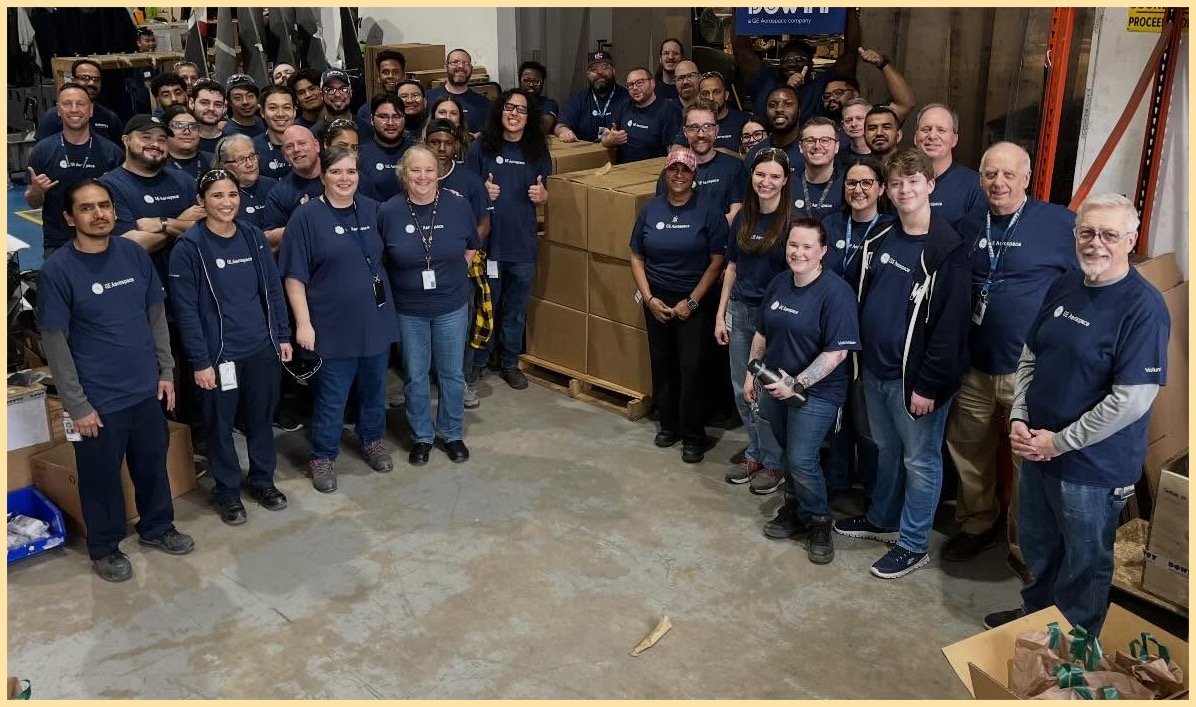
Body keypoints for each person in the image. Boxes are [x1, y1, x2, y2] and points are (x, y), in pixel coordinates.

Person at [983, 193, 1168, 635]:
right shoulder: (1065, 284)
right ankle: (1038, 620)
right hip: (1038, 449)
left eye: (1108, 234)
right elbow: (1030, 355)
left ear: (1130, 239)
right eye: (1087, 232)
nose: (1095, 243)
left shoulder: (1144, 307)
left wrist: (1059, 441)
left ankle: (1074, 646)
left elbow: (1131, 400)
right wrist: (1019, 418)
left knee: (1084, 564)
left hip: (1092, 467)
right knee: (1039, 547)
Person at [37, 179, 195, 582]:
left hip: (144, 388)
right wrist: (78, 405)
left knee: (151, 465)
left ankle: (157, 527)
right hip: (97, 400)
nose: (98, 214)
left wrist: (165, 372)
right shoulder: (58, 271)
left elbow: (155, 316)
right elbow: (55, 344)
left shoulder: (132, 253)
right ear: (70, 218)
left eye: (104, 205)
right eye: (87, 208)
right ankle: (105, 546)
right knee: (100, 478)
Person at [833, 148, 970, 579]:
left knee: (920, 461)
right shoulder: (883, 237)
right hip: (876, 370)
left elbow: (951, 330)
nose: (905, 189)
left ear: (930, 185)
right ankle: (882, 519)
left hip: (915, 382)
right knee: (887, 450)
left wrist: (928, 385)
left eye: (914, 182)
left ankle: (913, 544)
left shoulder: (947, 252)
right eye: (897, 183)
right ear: (887, 191)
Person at [943, 142, 1077, 576]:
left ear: (1026, 177)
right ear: (980, 178)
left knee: (1027, 465)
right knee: (969, 450)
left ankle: (1024, 547)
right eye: (989, 174)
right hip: (974, 366)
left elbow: (1086, 286)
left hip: (1028, 372)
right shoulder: (968, 224)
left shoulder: (1059, 225)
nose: (997, 183)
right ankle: (978, 522)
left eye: (1007, 175)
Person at [168, 169, 293, 525]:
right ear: (201, 201)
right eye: (218, 196)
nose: (227, 203)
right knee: (219, 426)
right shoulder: (189, 248)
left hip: (260, 349)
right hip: (220, 355)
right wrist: (200, 361)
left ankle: (262, 481)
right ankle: (227, 491)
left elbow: (271, 289)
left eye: (233, 195)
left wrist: (281, 336)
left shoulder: (253, 236)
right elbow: (187, 312)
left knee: (260, 420)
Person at [279, 146, 400, 492]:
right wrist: (303, 323)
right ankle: (322, 456)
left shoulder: (372, 209)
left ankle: (373, 440)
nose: (344, 179)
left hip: (375, 320)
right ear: (322, 176)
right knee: (332, 396)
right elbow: (294, 277)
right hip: (331, 326)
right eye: (336, 172)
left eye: (350, 172)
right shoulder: (306, 217)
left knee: (376, 388)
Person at [747, 218, 861, 563]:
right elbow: (762, 332)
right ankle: (794, 511)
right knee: (786, 452)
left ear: (823, 251)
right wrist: (751, 372)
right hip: (774, 386)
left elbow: (837, 353)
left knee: (801, 459)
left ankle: (819, 520)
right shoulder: (780, 282)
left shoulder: (836, 293)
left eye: (807, 246)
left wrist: (796, 383)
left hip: (818, 392)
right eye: (793, 245)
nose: (798, 252)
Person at [380, 146, 480, 465]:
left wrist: (453, 277)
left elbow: (471, 248)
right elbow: (382, 260)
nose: (422, 177)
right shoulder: (389, 211)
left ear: (437, 173)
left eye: (429, 170)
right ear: (403, 174)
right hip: (409, 308)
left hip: (451, 304)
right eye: (415, 170)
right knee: (416, 374)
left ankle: (451, 432)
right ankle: (421, 436)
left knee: (451, 373)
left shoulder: (457, 205)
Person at [630, 148, 728, 464]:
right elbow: (636, 256)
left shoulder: (709, 211)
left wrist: (693, 301)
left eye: (685, 170)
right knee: (663, 363)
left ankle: (693, 436)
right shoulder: (650, 209)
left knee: (692, 368)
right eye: (674, 169)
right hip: (656, 297)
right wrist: (649, 298)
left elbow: (717, 261)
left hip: (694, 299)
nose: (679, 175)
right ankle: (668, 426)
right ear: (666, 172)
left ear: (694, 174)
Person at [715, 148, 791, 493]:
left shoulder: (791, 222)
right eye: (761, 174)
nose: (766, 182)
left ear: (785, 180)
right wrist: (721, 313)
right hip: (741, 310)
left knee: (764, 392)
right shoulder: (744, 217)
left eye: (775, 176)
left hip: (773, 319)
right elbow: (731, 267)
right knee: (738, 388)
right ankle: (756, 452)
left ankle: (774, 463)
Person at [465, 89, 551, 390]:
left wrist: (544, 196)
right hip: (489, 244)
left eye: (522, 110)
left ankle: (510, 362)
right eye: (509, 107)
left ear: (530, 118)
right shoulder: (480, 149)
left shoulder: (538, 153)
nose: (514, 114)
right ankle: (478, 362)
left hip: (522, 244)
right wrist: (481, 192)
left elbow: (547, 191)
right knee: (486, 306)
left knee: (515, 309)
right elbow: (465, 192)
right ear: (500, 111)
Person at [820, 156, 893, 497]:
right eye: (851, 183)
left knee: (868, 423)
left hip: (870, 343)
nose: (858, 189)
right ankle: (835, 483)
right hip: (830, 339)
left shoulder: (892, 231)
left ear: (881, 188)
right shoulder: (830, 225)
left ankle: (871, 494)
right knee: (836, 416)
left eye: (867, 183)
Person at [425, 118, 492, 409]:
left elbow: (484, 224)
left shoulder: (469, 181)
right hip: (421, 270)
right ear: (425, 143)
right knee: (421, 328)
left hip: (458, 270)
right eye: (434, 142)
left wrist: (463, 256)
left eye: (447, 142)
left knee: (458, 328)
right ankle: (423, 382)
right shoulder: (415, 174)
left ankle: (460, 382)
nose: (441, 148)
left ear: (456, 145)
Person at [99, 115, 204, 287]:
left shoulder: (183, 181)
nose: (155, 144)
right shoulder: (108, 187)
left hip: (190, 283)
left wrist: (163, 223)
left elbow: (206, 228)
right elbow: (132, 244)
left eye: (162, 140)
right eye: (146, 137)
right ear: (126, 140)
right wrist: (181, 225)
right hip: (139, 286)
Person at [25, 83, 124, 261]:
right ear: (58, 110)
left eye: (80, 104)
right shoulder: (43, 151)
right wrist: (36, 192)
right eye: (67, 104)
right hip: (58, 244)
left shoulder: (112, 153)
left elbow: (120, 203)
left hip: (103, 241)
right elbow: (33, 203)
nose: (74, 109)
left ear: (91, 109)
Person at [733, 16, 860, 123]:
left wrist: (849, 8)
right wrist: (737, 8)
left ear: (810, 65)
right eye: (787, 60)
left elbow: (850, 56)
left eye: (799, 60)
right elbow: (743, 52)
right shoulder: (766, 81)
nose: (792, 64)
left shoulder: (820, 86)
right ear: (779, 64)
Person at [660, 101, 746, 225]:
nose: (701, 134)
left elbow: (736, 214)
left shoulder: (734, 167)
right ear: (685, 132)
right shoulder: (671, 172)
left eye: (707, 127)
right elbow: (663, 214)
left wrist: (698, 230)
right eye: (694, 127)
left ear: (716, 130)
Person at [916, 103, 984, 231]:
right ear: (915, 137)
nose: (932, 136)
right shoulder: (902, 182)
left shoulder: (974, 185)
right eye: (926, 129)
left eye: (941, 130)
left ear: (955, 139)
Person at [262, 126, 325, 246]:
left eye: (302, 143)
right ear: (284, 154)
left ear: (316, 145)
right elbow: (269, 237)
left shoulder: (340, 179)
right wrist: (305, 225)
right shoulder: (279, 193)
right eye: (289, 146)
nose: (296, 149)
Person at [602, 67, 680, 164]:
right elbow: (605, 136)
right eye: (630, 85)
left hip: (653, 171)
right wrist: (609, 140)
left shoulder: (668, 110)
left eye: (639, 82)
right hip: (623, 171)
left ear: (652, 83)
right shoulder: (624, 105)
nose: (635, 88)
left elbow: (673, 150)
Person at [36, 59, 123, 144]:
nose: (91, 83)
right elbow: (42, 153)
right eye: (85, 78)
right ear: (73, 80)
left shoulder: (109, 118)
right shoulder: (53, 117)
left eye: (96, 79)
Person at [821, 47, 915, 124]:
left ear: (855, 94)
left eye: (838, 93)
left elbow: (905, 104)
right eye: (827, 96)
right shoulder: (820, 126)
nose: (831, 99)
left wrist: (882, 64)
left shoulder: (874, 119)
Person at [555, 50, 630, 143]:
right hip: (587, 154)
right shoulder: (579, 99)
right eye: (594, 69)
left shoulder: (627, 97)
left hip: (620, 154)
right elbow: (560, 125)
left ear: (613, 71)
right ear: (587, 74)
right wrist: (564, 131)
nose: (600, 72)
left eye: (605, 67)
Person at [212, 133, 277, 232]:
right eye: (241, 160)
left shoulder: (272, 186)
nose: (250, 164)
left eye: (252, 156)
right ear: (224, 165)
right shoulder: (219, 197)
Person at [360, 94, 413, 202]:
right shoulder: (360, 154)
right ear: (371, 119)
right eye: (383, 117)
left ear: (404, 118)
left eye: (396, 116)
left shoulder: (418, 152)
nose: (390, 123)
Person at [428, 49, 492, 134]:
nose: (461, 66)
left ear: (471, 68)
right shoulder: (429, 97)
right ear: (446, 66)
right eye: (455, 62)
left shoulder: (483, 103)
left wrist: (481, 137)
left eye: (466, 63)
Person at [793, 117, 845, 220]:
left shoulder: (848, 184)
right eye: (810, 140)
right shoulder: (787, 183)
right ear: (800, 147)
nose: (817, 146)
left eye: (825, 140)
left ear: (836, 146)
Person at [745, 86, 803, 173]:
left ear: (799, 110)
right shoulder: (755, 154)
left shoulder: (811, 149)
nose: (779, 109)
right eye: (772, 105)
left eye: (787, 104)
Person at [253, 85, 297, 180]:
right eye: (273, 108)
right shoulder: (252, 148)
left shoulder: (309, 143)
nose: (280, 114)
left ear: (294, 112)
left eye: (286, 107)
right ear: (262, 112)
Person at [356, 49, 407, 126]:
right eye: (385, 72)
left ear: (403, 77)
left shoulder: (410, 106)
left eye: (395, 72)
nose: (390, 76)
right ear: (378, 78)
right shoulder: (366, 111)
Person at [162, 105, 213, 180]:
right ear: (166, 131)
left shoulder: (214, 160)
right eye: (179, 126)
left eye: (192, 127)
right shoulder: (158, 163)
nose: (187, 132)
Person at [518, 60, 559, 135]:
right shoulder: (510, 102)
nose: (531, 84)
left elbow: (544, 129)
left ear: (542, 83)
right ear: (519, 82)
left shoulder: (549, 104)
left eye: (536, 81)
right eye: (526, 80)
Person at [187, 78, 226, 154]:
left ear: (224, 108)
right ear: (191, 103)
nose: (211, 108)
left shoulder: (230, 143)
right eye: (204, 103)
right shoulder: (182, 141)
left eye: (217, 104)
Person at [222, 73, 267, 138]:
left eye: (250, 96)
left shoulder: (259, 121)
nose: (245, 102)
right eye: (238, 98)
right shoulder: (229, 133)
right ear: (229, 102)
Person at [838, 97, 872, 162]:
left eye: (859, 118)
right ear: (843, 125)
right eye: (848, 120)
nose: (853, 124)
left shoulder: (886, 157)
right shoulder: (837, 160)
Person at [654, 38, 684, 102]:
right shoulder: (652, 89)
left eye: (675, 53)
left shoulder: (687, 88)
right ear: (660, 59)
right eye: (666, 53)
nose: (670, 57)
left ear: (682, 58)